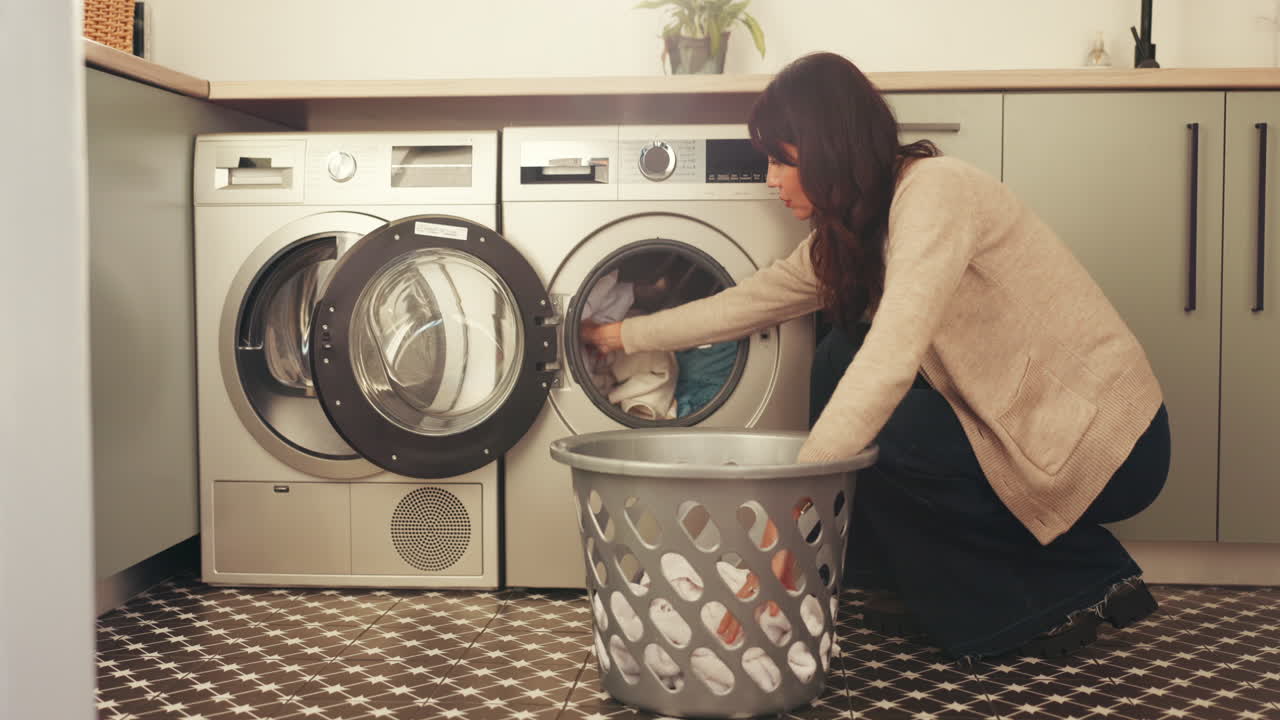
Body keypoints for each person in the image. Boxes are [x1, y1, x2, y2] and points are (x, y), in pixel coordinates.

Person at [581, 51, 1171, 660]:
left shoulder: (934, 194)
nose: (769, 179)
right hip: (1022, 429)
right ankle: (896, 577)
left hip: (1109, 442)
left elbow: (892, 357)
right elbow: (750, 302)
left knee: (881, 423)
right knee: (839, 351)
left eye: (781, 159)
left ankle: (1083, 580)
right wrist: (617, 337)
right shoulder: (861, 230)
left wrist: (787, 525)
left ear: (829, 149)